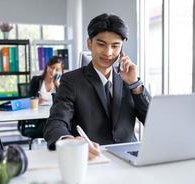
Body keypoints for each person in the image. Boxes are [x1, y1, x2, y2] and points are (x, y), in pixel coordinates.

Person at [43, 13, 151, 159]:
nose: (108, 52)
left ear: (122, 48)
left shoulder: (129, 79)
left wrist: (135, 85)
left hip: (130, 158)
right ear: (89, 43)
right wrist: (70, 142)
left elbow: (152, 121)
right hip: (93, 158)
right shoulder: (71, 81)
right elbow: (56, 123)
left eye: (115, 46)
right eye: (101, 44)